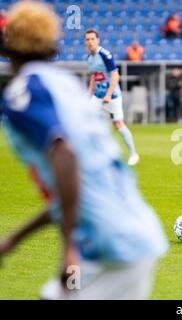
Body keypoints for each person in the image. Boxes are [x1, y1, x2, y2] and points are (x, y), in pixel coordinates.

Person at [0, 1, 168, 299]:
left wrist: (68, 250)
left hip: (106, 246)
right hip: (135, 233)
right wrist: (14, 239)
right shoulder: (63, 85)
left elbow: (65, 156)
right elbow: (74, 185)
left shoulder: (22, 94)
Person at [85, 29, 140, 166]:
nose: (90, 42)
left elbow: (115, 75)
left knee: (118, 124)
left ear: (98, 40)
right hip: (98, 96)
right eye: (88, 39)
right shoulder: (89, 58)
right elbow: (94, 76)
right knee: (88, 122)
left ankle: (133, 154)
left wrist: (109, 94)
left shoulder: (105, 55)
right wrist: (89, 94)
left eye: (92, 39)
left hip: (113, 96)